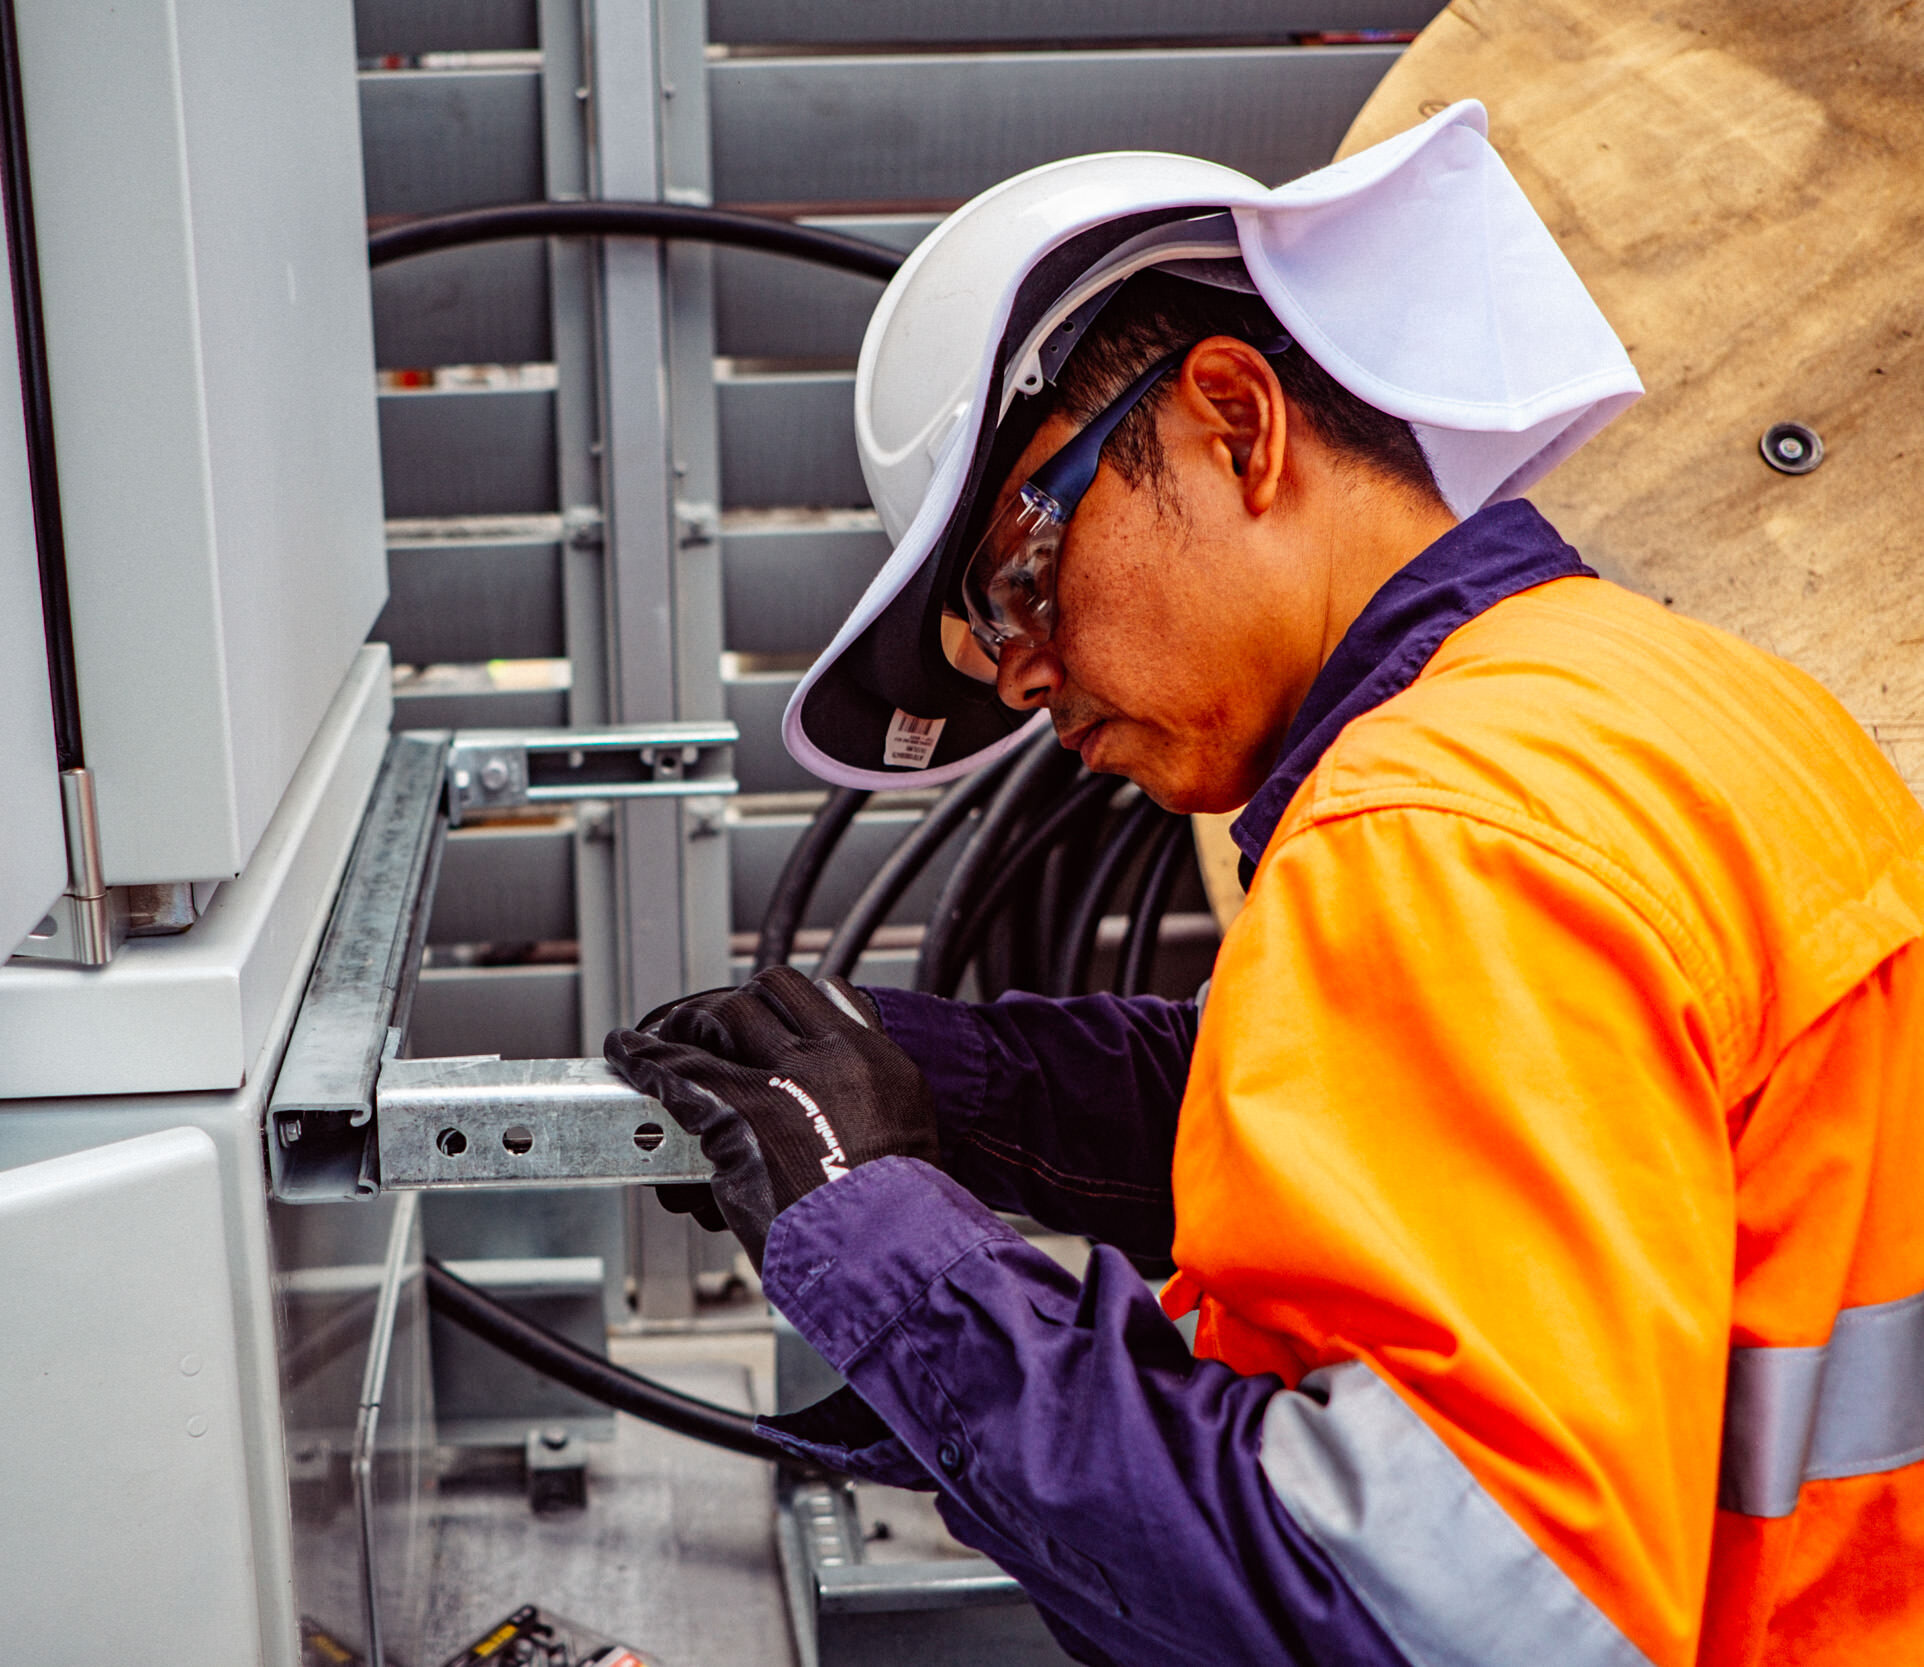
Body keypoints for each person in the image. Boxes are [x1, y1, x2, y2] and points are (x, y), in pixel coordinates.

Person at [606, 105, 1924, 1666]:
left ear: (1237, 424)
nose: (1029, 685)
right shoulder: (1656, 693)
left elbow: (1410, 1617)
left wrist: (877, 1237)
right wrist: (951, 1090)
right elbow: (1456, 1142)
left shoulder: (1437, 827)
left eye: (1024, 580)